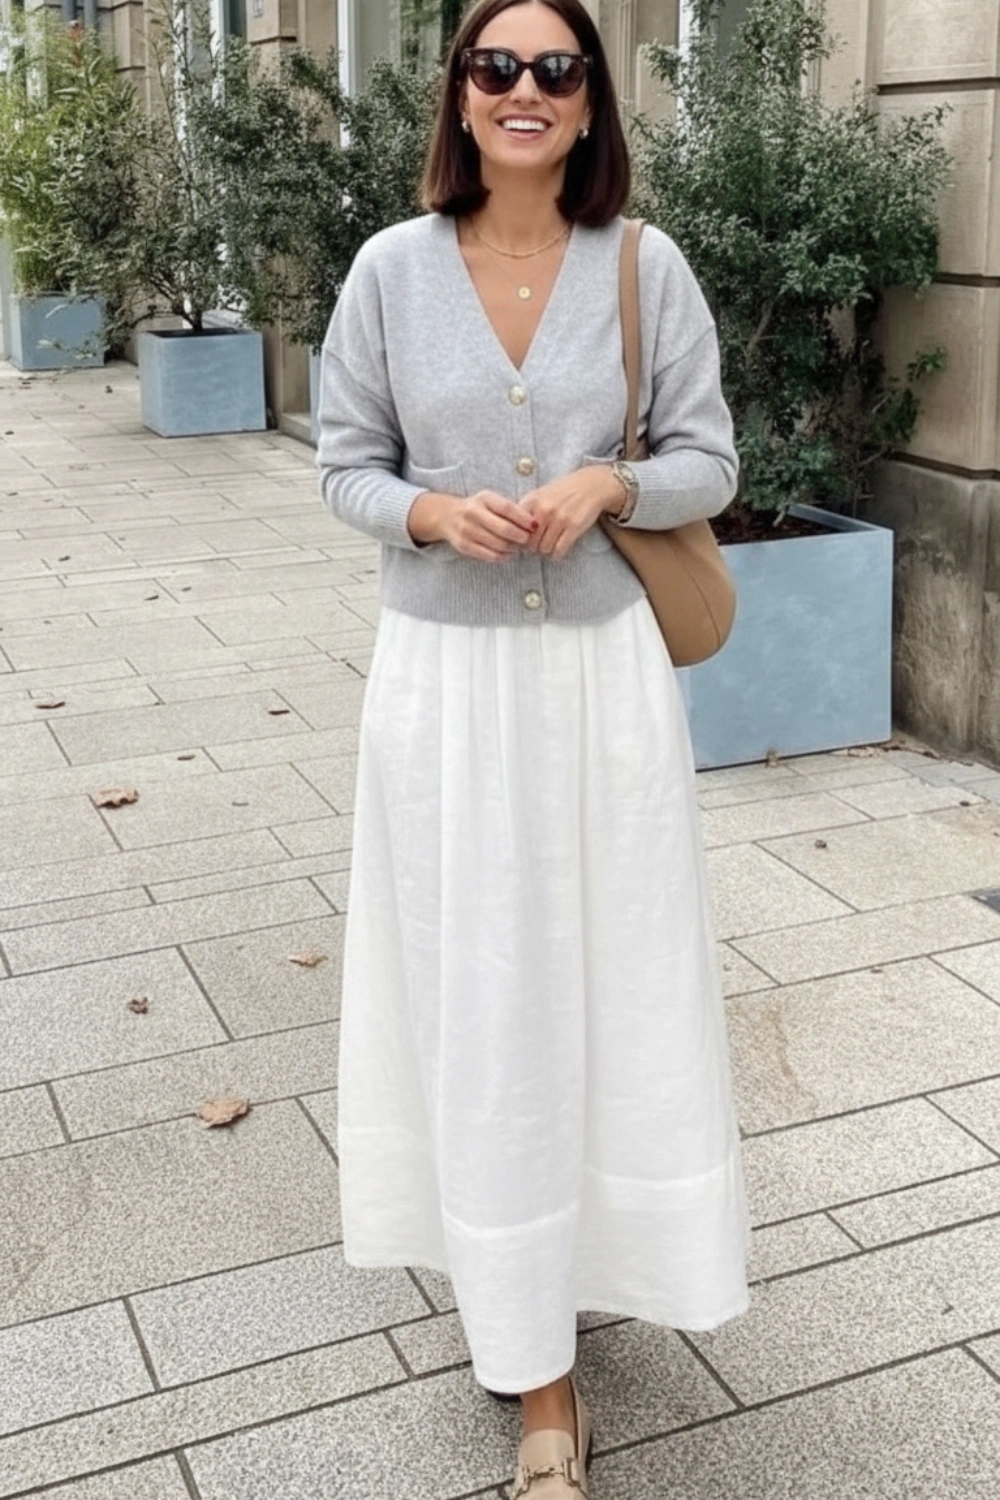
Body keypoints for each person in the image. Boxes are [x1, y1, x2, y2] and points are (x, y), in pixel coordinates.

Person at [316, 0, 750, 1492]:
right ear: (458, 93)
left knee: (618, 983)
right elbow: (343, 466)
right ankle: (536, 1376)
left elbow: (712, 455)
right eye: (495, 66)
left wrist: (611, 486)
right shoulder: (389, 269)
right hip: (443, 687)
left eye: (555, 70)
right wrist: (433, 512)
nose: (523, 90)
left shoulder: (645, 265)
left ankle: (603, 1248)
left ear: (588, 105)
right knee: (481, 997)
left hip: (599, 686)